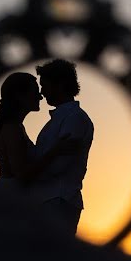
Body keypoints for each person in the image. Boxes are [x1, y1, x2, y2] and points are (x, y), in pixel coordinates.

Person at [32, 59, 94, 234]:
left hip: (59, 199)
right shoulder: (59, 120)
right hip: (51, 199)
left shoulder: (75, 118)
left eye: (45, 85)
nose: (42, 93)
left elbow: (59, 165)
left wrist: (30, 173)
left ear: (59, 85)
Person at [0, 72, 78, 194]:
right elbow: (23, 176)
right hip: (11, 199)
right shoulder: (12, 130)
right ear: (20, 96)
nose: (40, 97)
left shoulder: (16, 127)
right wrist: (55, 151)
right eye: (35, 91)